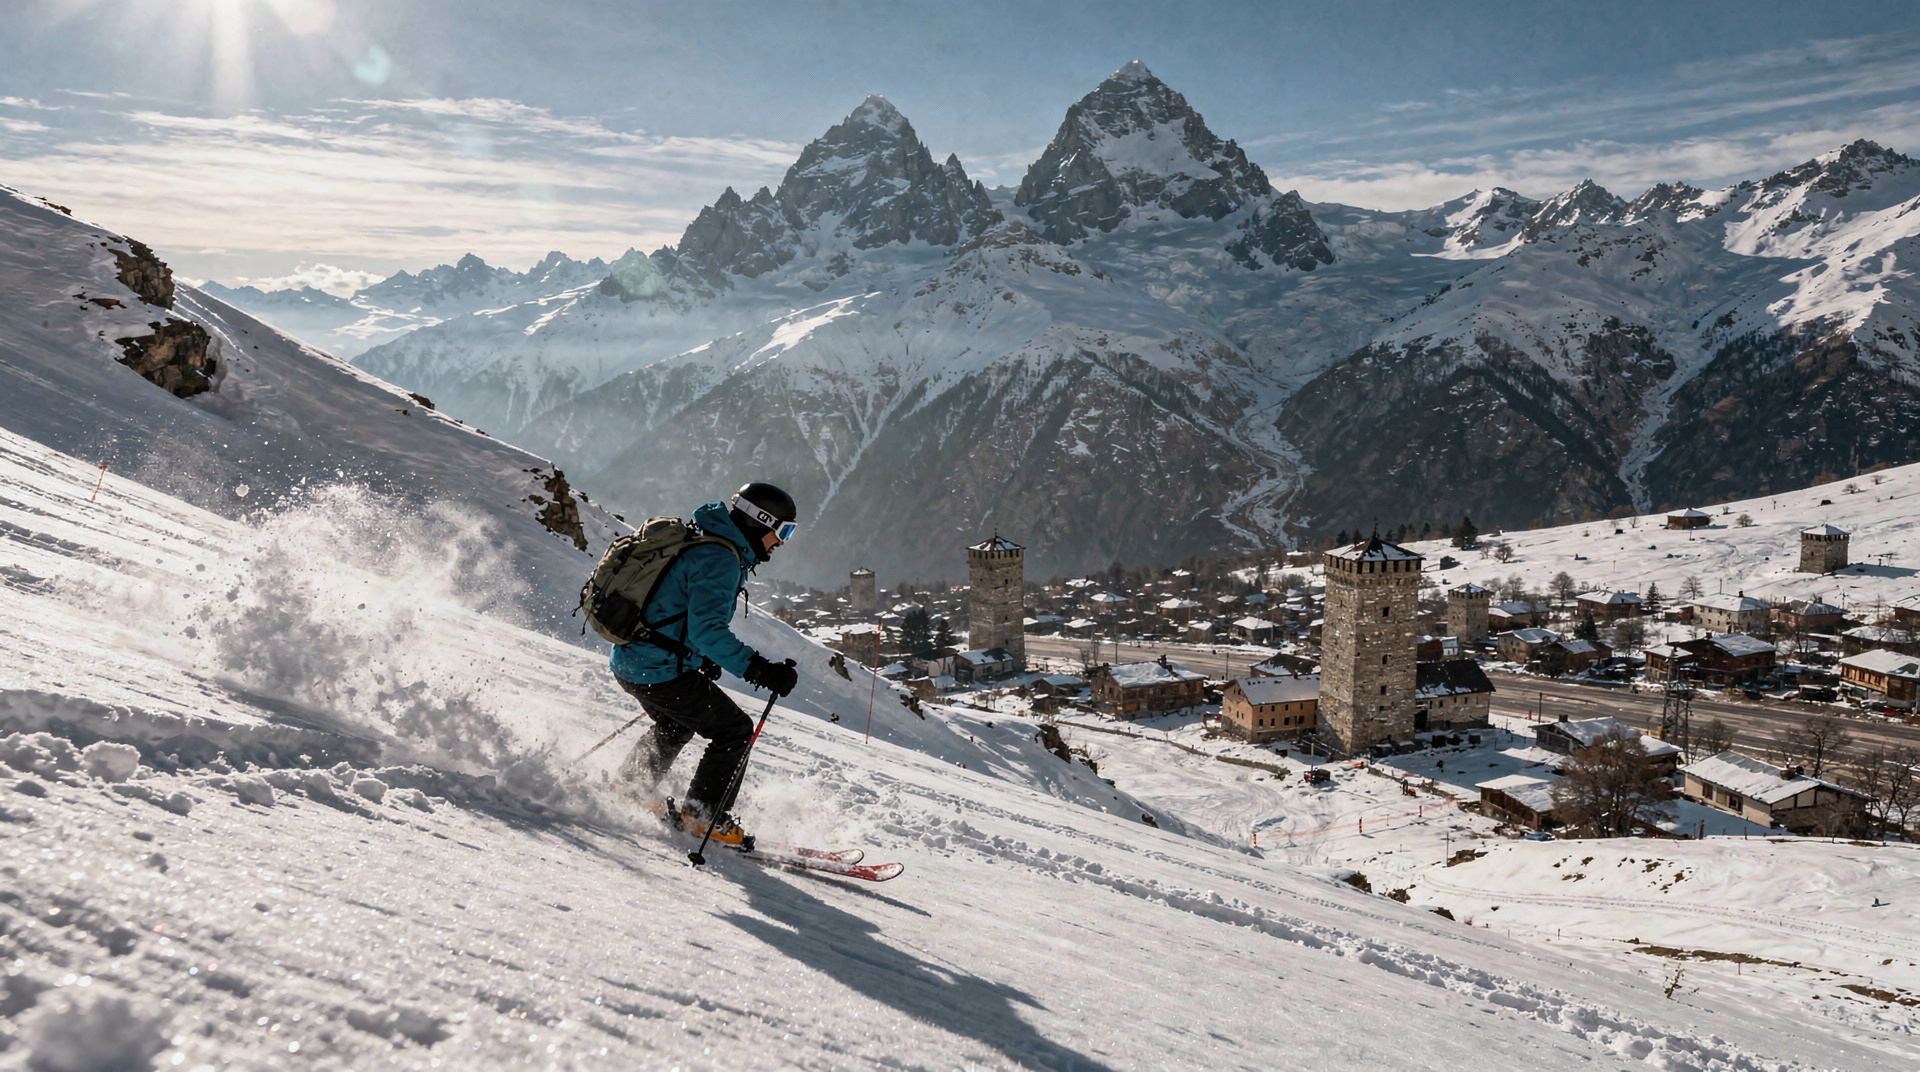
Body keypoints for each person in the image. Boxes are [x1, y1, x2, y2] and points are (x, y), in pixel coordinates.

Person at [611, 482, 800, 845]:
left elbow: (676, 613)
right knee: (734, 730)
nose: (782, 542)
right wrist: (759, 670)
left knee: (677, 724)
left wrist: (697, 658)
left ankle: (630, 786)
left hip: (633, 660)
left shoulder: (706, 540)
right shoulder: (720, 558)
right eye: (783, 531)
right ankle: (703, 815)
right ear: (760, 522)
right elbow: (708, 632)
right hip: (657, 668)